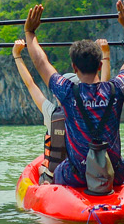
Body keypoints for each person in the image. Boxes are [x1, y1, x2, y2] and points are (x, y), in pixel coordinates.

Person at [24, 0, 124, 191]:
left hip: (77, 176)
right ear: (100, 65)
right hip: (115, 174)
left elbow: (41, 62)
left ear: (74, 68)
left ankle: (48, 186)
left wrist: (30, 33)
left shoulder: (67, 92)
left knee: (55, 170)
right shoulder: (116, 89)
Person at [12, 38, 113, 184]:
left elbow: (30, 84)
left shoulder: (50, 112)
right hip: (89, 172)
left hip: (57, 175)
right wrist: (105, 53)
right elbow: (104, 83)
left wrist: (17, 55)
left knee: (41, 169)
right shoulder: (94, 107)